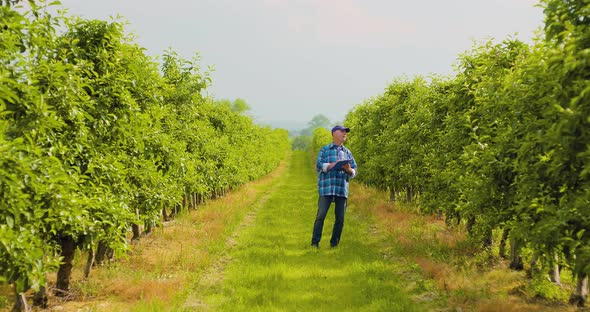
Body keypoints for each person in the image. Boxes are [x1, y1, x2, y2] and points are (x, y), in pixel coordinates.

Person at [311, 125, 357, 248]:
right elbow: (319, 165)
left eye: (345, 132)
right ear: (334, 133)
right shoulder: (325, 150)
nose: (344, 133)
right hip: (327, 187)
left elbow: (354, 171)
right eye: (342, 131)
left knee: (340, 219)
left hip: (341, 188)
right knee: (320, 216)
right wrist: (333, 165)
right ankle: (315, 243)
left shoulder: (347, 152)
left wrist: (348, 169)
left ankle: (334, 244)